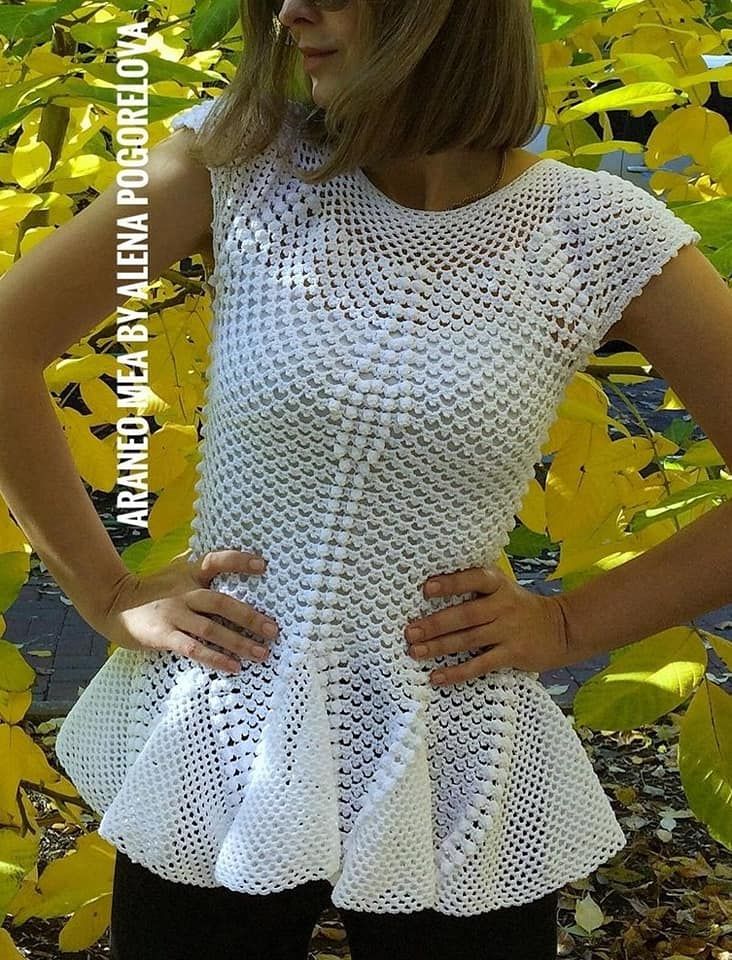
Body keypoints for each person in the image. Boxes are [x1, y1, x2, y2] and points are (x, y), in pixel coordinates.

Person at [1, 0, 728, 958]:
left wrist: (568, 624)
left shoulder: (594, 235)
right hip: (224, 728)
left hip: (454, 749)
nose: (292, 9)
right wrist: (105, 592)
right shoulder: (232, 166)